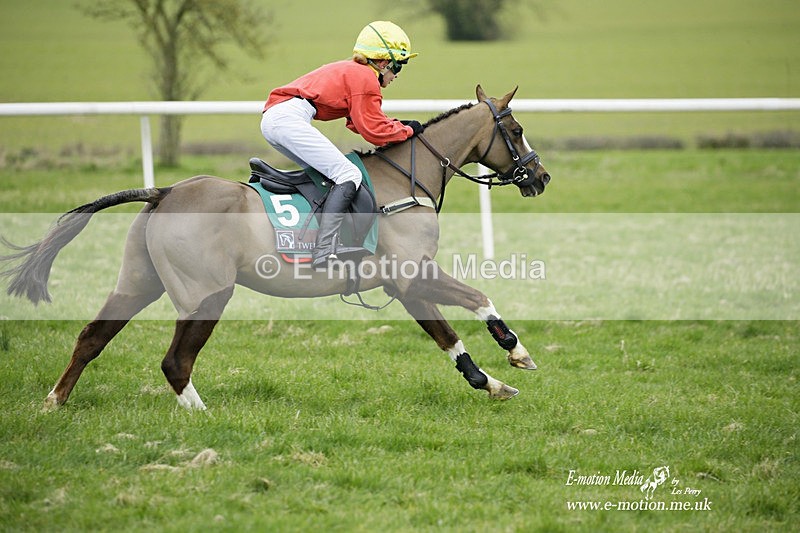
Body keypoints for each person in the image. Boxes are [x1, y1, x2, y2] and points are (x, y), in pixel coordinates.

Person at [261, 21, 423, 269]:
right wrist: (409, 129)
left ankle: (322, 236)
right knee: (348, 173)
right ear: (382, 63)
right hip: (287, 119)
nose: (398, 73)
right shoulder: (366, 78)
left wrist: (397, 125)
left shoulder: (354, 72)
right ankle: (324, 250)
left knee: (326, 175)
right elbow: (373, 130)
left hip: (278, 118)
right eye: (398, 65)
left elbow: (359, 123)